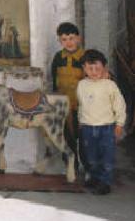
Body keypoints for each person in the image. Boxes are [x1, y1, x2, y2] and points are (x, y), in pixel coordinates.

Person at [77, 49, 126, 195]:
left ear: (104, 68)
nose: (94, 71)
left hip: (106, 127)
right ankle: (95, 178)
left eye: (97, 68)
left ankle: (105, 182)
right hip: (87, 127)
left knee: (106, 156)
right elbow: (81, 104)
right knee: (91, 156)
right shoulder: (82, 85)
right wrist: (80, 121)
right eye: (89, 68)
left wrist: (119, 124)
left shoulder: (109, 85)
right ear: (84, 69)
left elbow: (120, 105)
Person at [51, 21, 85, 171]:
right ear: (59, 41)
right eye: (64, 39)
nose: (68, 42)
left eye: (71, 38)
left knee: (83, 137)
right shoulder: (58, 57)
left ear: (78, 39)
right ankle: (71, 165)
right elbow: (54, 80)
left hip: (82, 104)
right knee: (67, 136)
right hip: (64, 104)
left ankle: (88, 166)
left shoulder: (85, 57)